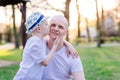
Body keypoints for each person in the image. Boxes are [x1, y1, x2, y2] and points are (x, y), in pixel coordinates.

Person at [13, 12, 63, 80]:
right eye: (46, 24)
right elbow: (45, 62)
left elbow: (54, 39)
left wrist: (69, 46)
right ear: (38, 29)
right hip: (25, 77)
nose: (49, 26)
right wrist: (55, 46)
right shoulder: (35, 43)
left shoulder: (39, 40)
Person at [42, 15, 85, 80]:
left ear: (66, 32)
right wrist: (67, 43)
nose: (56, 29)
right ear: (48, 26)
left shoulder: (72, 55)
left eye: (60, 27)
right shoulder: (38, 45)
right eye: (53, 25)